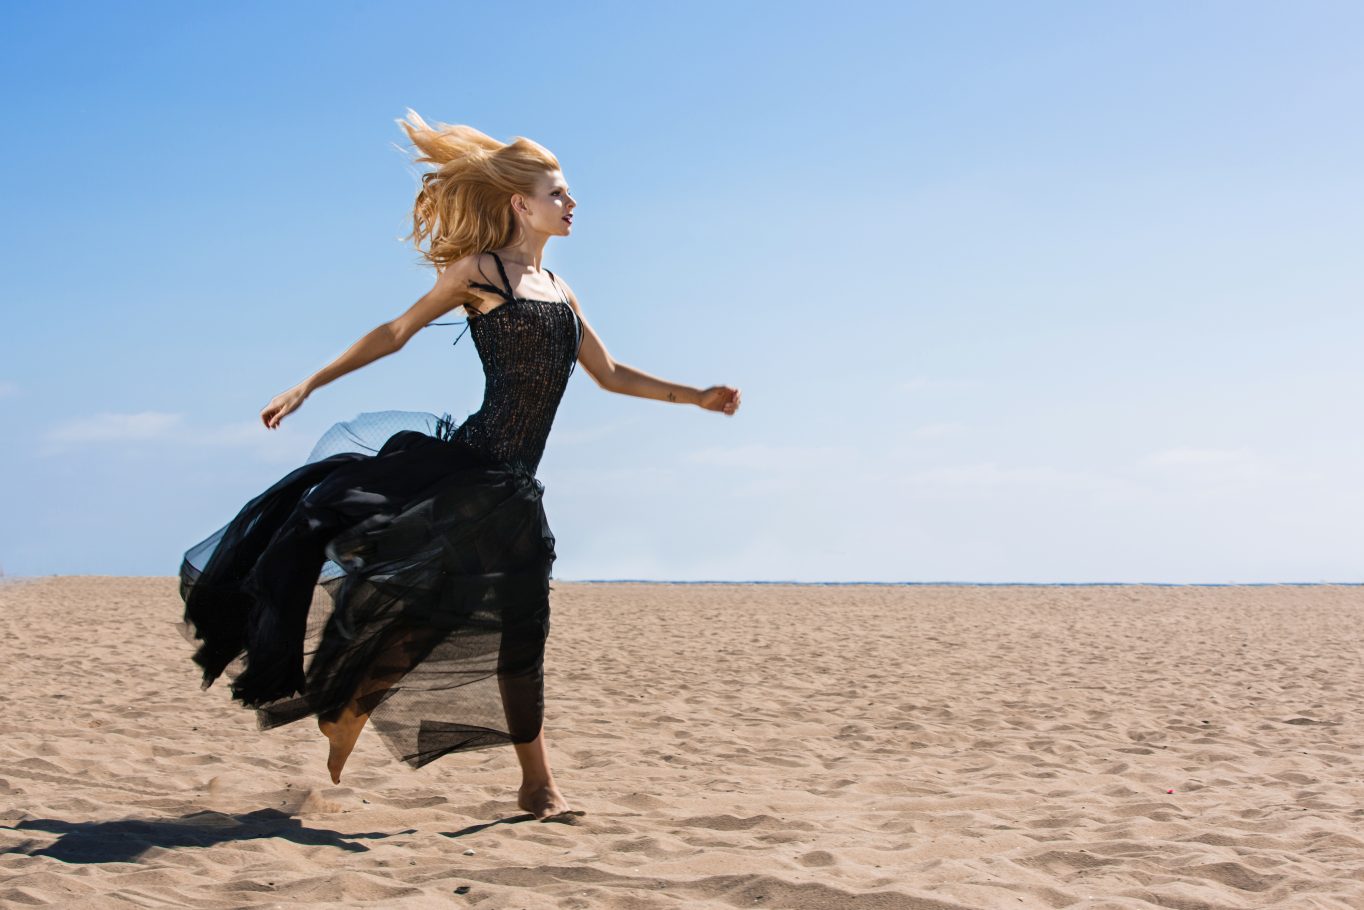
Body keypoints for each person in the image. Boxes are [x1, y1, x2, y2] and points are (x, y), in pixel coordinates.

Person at [177, 110, 741, 822]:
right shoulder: (482, 273)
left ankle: (368, 710)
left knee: (472, 618)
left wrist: (696, 397)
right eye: (559, 193)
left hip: (514, 485)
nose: (572, 204)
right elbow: (396, 330)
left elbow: (609, 372)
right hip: (472, 472)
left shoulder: (560, 290)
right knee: (492, 616)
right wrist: (311, 383)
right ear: (521, 203)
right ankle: (524, 779)